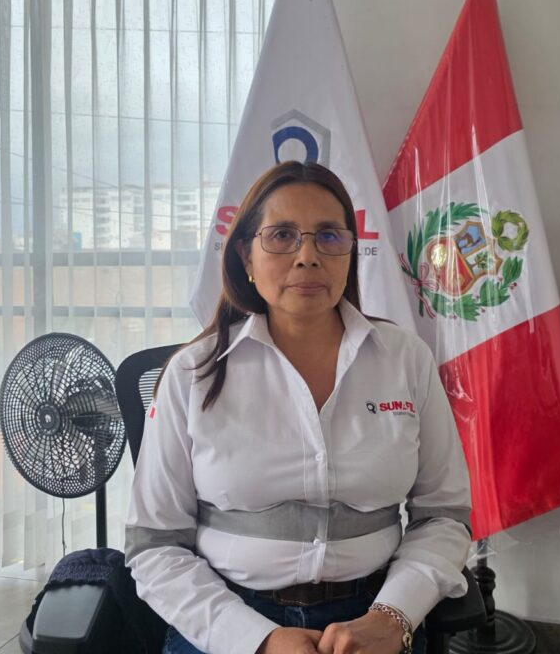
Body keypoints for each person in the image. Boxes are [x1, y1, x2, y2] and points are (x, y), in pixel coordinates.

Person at [126, 162, 472, 654]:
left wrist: (392, 616)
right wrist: (258, 640)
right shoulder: (192, 373)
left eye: (329, 236)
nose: (307, 256)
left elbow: (443, 516)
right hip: (225, 620)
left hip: (373, 615)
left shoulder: (405, 359)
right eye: (282, 235)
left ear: (351, 252)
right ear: (245, 255)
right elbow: (155, 544)